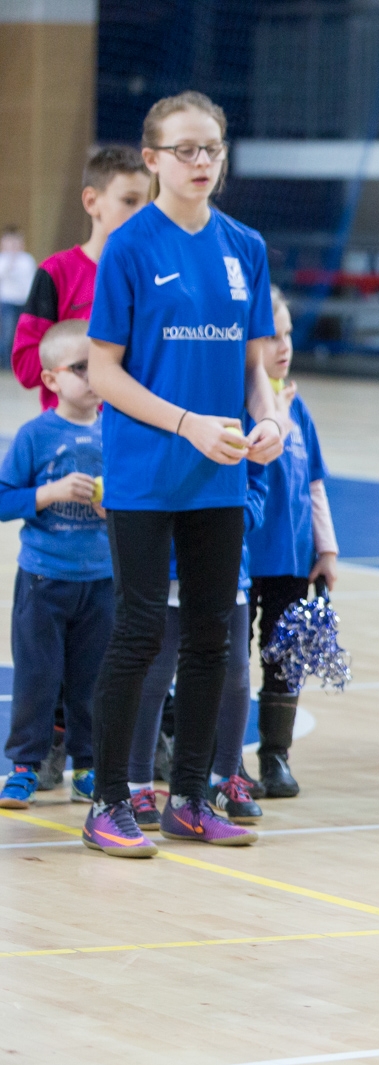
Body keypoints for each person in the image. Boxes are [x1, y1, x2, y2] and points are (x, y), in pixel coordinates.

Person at [83, 90, 285, 858]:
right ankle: (107, 802)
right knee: (138, 631)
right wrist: (185, 424)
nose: (202, 163)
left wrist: (267, 419)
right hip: (147, 473)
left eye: (213, 150)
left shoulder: (244, 245)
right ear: (152, 158)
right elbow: (104, 372)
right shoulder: (131, 248)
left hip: (221, 475)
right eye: (186, 150)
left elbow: (254, 364)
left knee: (212, 639)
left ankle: (192, 798)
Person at [0, 321, 112, 809]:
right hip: (44, 580)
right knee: (37, 679)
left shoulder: (118, 430)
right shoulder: (35, 435)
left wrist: (118, 506)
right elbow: (4, 498)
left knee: (93, 681)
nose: (92, 377)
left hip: (102, 581)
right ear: (50, 379)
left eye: (99, 366)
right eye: (80, 368)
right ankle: (24, 766)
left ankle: (88, 767)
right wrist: (49, 493)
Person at [126, 462, 269, 831]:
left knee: (236, 671)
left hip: (227, 566)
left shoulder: (236, 424)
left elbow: (256, 481)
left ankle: (225, 777)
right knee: (156, 675)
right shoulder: (172, 425)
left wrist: (237, 521)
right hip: (169, 569)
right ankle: (138, 784)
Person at [247, 285, 338, 797]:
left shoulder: (298, 410)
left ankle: (275, 757)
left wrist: (325, 550)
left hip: (290, 557)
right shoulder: (244, 404)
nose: (283, 345)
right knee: (230, 655)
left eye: (286, 334)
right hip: (240, 554)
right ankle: (217, 759)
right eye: (270, 336)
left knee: (284, 656)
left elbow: (315, 483)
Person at [12, 145, 149, 411]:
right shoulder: (56, 273)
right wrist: (88, 350)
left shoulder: (159, 277)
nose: (143, 213)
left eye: (149, 203)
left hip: (138, 434)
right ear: (91, 202)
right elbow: (26, 368)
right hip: (74, 439)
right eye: (130, 201)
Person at [1, 226, 37, 357]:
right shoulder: (2, 259)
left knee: (19, 332)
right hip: (7, 301)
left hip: (23, 301)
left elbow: (31, 281)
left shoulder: (27, 260)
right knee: (7, 333)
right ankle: (4, 362)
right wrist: (10, 263)